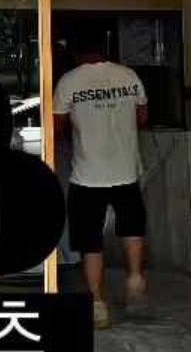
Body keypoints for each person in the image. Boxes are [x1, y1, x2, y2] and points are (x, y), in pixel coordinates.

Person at [53, 28, 149, 330]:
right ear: (104, 49)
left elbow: (57, 127)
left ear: (76, 53)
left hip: (87, 174)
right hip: (126, 170)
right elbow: (142, 117)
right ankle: (135, 277)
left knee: (90, 241)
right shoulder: (128, 75)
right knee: (132, 228)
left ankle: (97, 303)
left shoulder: (68, 81)